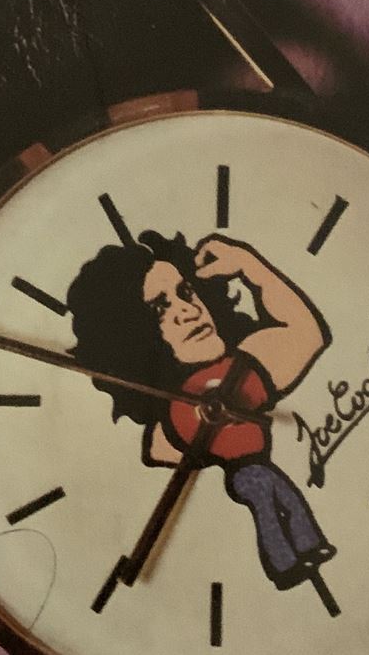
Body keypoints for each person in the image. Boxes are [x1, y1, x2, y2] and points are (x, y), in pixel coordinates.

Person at [67, 230, 335, 588]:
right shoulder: (168, 427)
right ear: (132, 339)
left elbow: (306, 334)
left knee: (278, 497)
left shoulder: (242, 366)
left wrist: (248, 265)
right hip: (244, 477)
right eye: (160, 308)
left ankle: (305, 547)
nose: (188, 311)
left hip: (258, 466)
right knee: (269, 501)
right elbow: (156, 452)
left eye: (187, 292)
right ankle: (287, 560)